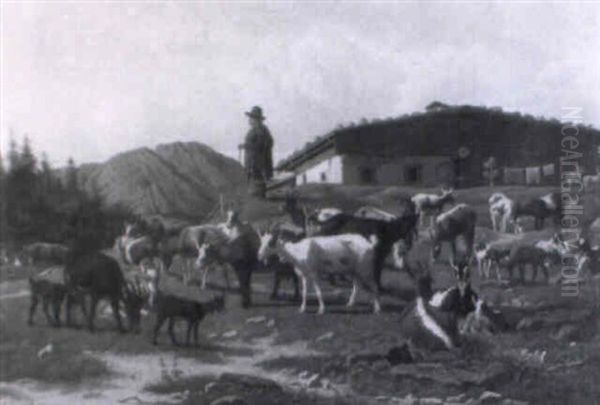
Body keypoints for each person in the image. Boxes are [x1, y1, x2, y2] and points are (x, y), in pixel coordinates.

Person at [240, 106, 273, 183]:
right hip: (255, 167)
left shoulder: (260, 130)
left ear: (257, 119)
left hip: (257, 168)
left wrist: (245, 146)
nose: (249, 120)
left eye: (251, 118)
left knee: (256, 186)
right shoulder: (258, 129)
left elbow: (259, 146)